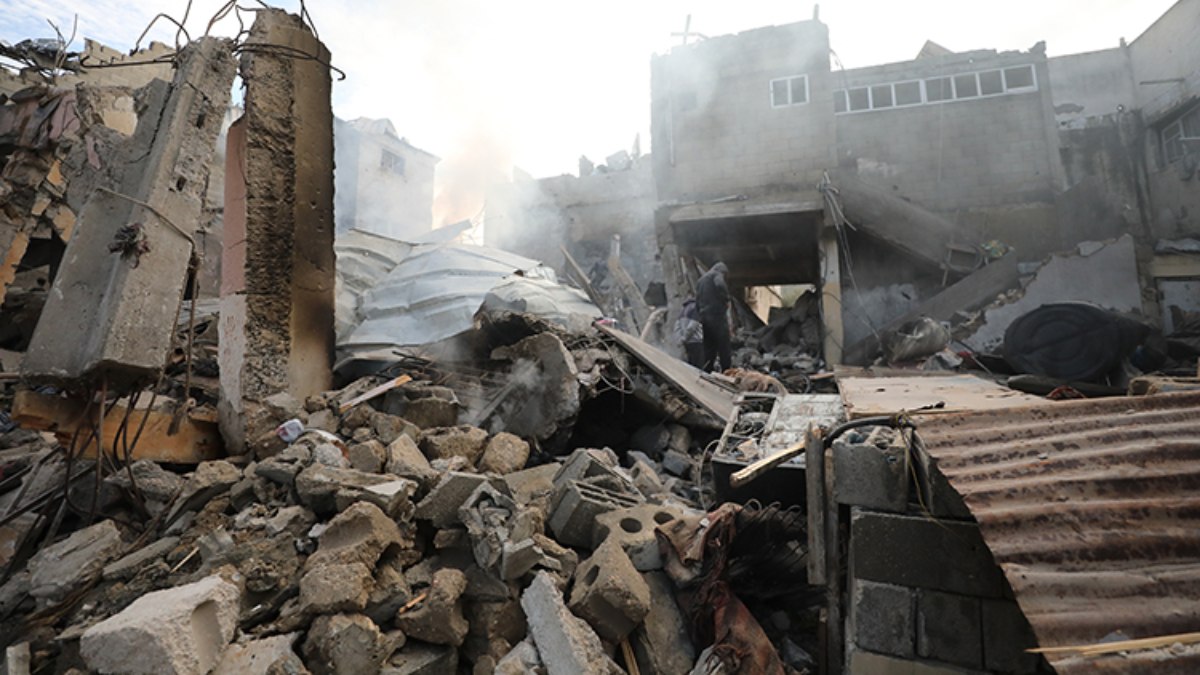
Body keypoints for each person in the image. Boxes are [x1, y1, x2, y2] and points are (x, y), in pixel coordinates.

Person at [696, 262, 732, 372]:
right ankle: (727, 371)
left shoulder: (700, 281)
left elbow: (697, 300)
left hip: (705, 317)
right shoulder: (717, 274)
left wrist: (700, 314)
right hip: (716, 315)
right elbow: (720, 284)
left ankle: (707, 370)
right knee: (724, 346)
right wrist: (726, 299)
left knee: (709, 347)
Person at [675, 298, 705, 368]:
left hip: (687, 343)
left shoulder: (683, 310)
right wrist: (684, 338)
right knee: (699, 367)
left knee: (690, 366)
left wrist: (680, 340)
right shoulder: (695, 308)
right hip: (697, 342)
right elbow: (692, 326)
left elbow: (677, 327)